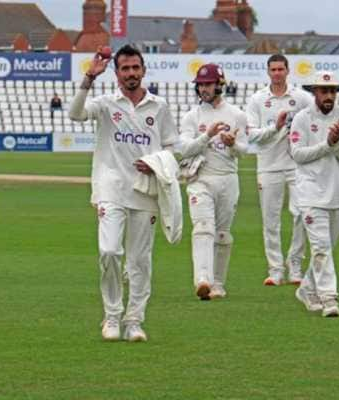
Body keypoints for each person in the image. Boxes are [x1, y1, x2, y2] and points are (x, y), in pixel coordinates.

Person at [69, 45, 179, 342]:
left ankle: (134, 321)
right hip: (111, 189)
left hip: (145, 192)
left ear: (143, 70)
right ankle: (112, 315)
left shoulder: (159, 106)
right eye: (125, 69)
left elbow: (172, 147)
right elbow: (75, 113)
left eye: (135, 68)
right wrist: (89, 78)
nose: (131, 73)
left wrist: (156, 163)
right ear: (116, 73)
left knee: (139, 261)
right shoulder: (106, 103)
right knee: (109, 251)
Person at [179, 64, 248, 300]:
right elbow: (185, 149)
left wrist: (232, 144)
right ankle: (202, 279)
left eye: (207, 84)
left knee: (222, 234)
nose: (203, 89)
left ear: (219, 85)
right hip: (201, 179)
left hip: (228, 179)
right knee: (203, 228)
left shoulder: (236, 114)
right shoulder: (192, 116)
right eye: (200, 84)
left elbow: (244, 150)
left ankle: (218, 284)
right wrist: (207, 135)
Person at [290, 71, 339, 318]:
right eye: (323, 90)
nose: (329, 95)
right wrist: (327, 144)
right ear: (314, 92)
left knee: (326, 248)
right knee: (320, 248)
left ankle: (307, 288)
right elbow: (297, 154)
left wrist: (336, 143)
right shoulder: (302, 119)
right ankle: (329, 298)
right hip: (311, 194)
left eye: (332, 91)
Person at [246, 54, 312, 286]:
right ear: (268, 72)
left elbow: (312, 124)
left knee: (301, 213)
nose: (276, 73)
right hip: (268, 166)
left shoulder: (302, 98)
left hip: (296, 165)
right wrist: (275, 128)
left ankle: (294, 264)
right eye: (273, 69)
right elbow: (251, 135)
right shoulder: (257, 99)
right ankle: (275, 270)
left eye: (280, 69)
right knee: (270, 220)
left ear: (287, 71)